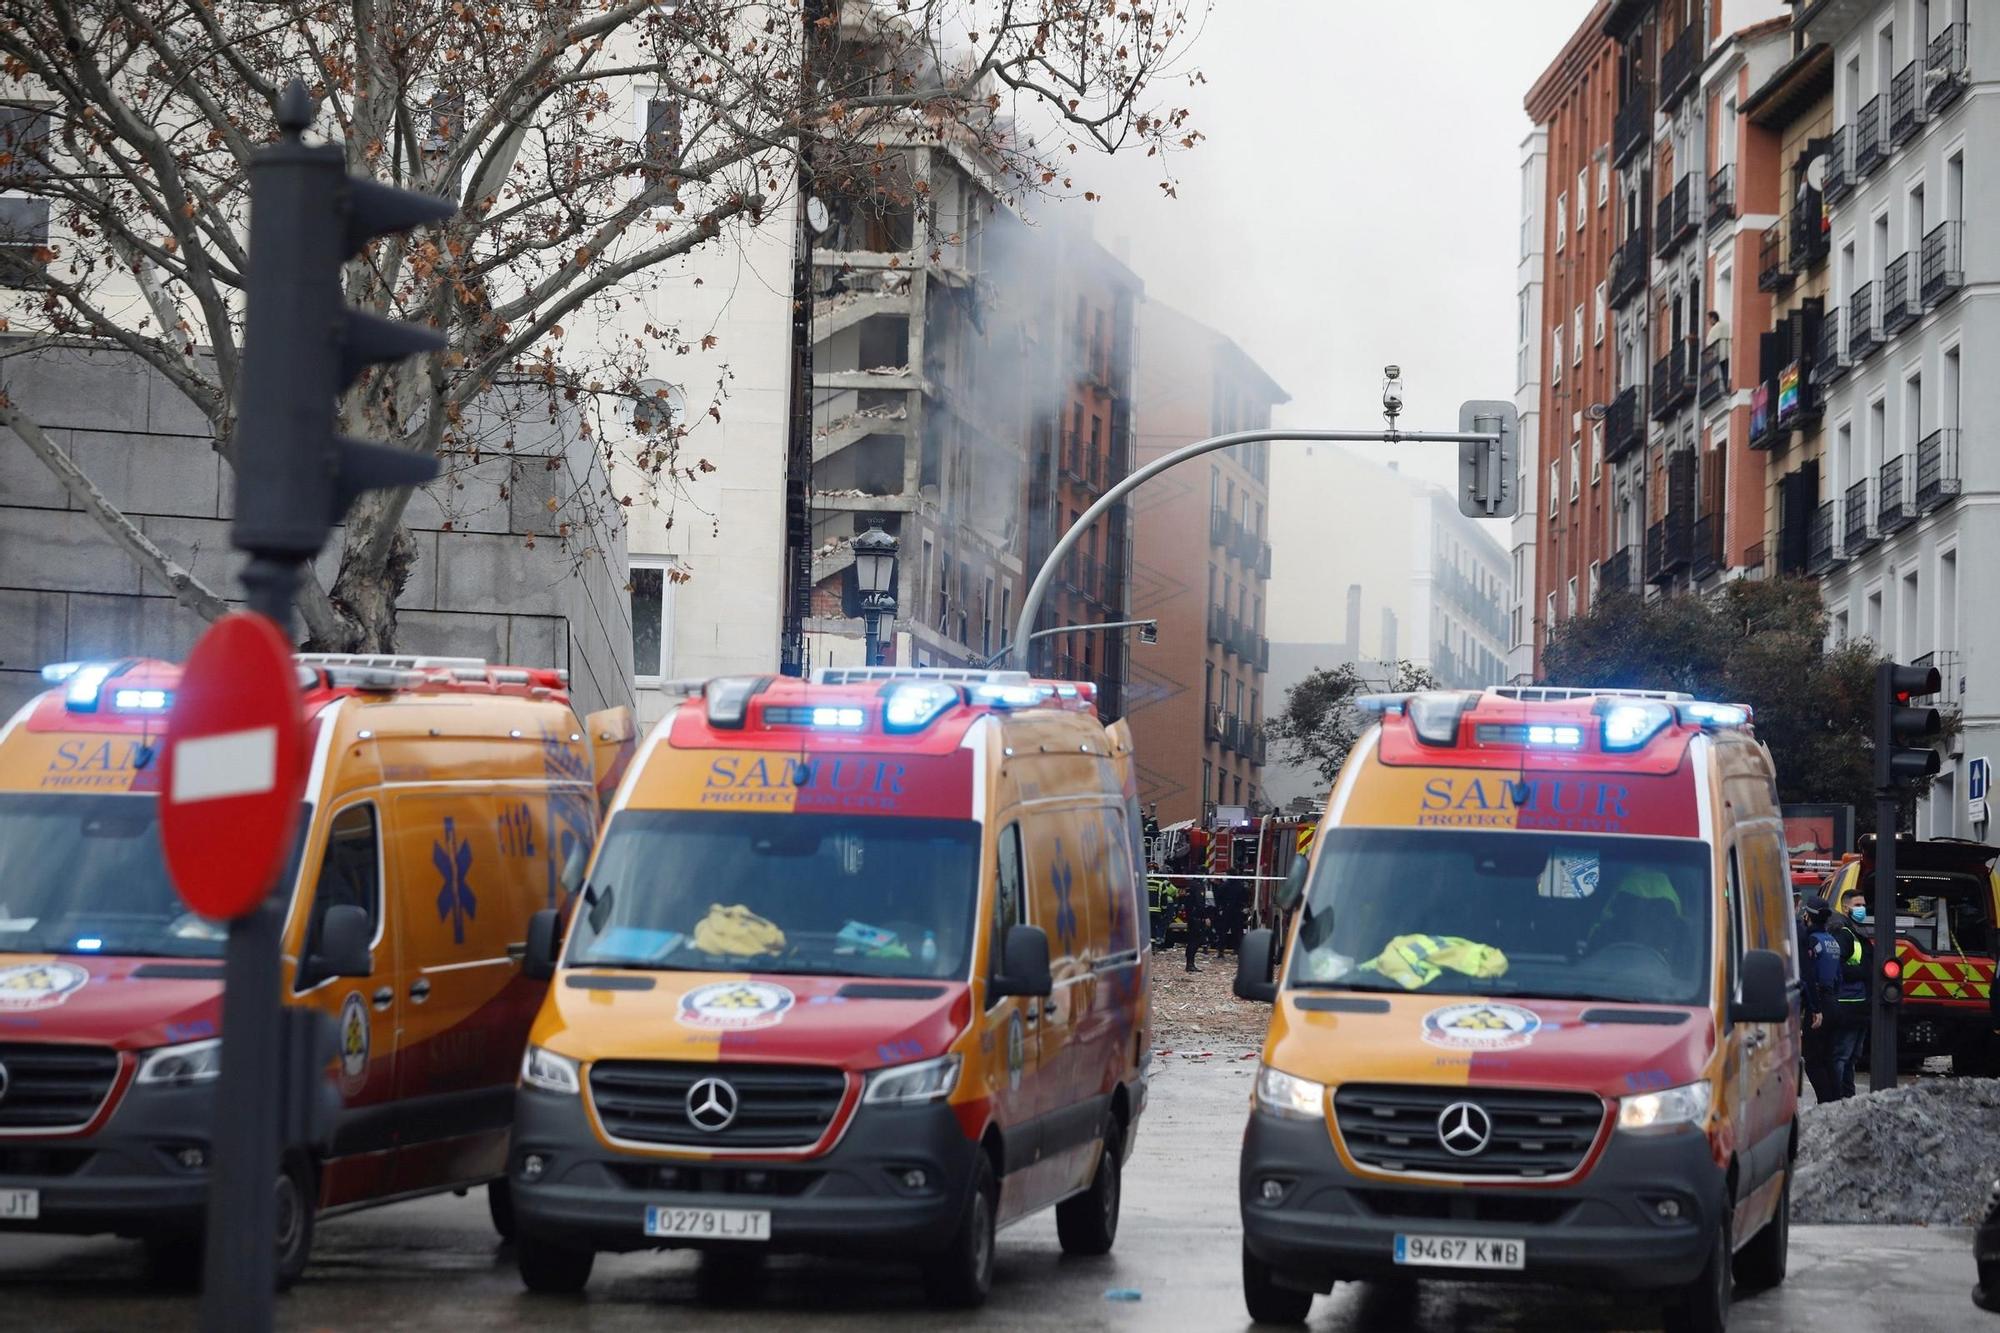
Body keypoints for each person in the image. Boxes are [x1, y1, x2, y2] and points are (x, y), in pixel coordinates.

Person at [1825, 887, 1873, 1099]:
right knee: (1841, 1057)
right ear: (1845, 908)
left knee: (1851, 1057)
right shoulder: (1844, 933)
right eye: (1857, 905)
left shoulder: (1854, 931)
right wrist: (1863, 971)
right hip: (1848, 1004)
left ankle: (1847, 1098)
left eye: (1863, 905)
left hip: (1858, 1004)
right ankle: (1837, 1099)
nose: (1862, 909)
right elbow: (1836, 966)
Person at [1800, 896, 1842, 1102]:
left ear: (1807, 915)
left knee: (1813, 1061)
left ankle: (1827, 1105)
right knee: (1828, 1060)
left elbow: (1808, 975)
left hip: (1819, 1005)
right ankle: (1835, 1103)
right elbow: (1839, 976)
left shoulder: (1812, 940)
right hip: (1834, 1002)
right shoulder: (1831, 940)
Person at [1705, 309, 1731, 383]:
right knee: (1726, 371)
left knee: (1723, 372)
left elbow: (1709, 342)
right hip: (1728, 352)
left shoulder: (1716, 328)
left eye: (1708, 320)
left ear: (1713, 318)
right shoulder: (1726, 324)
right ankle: (1726, 384)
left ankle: (1726, 385)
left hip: (1721, 354)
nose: (1708, 322)